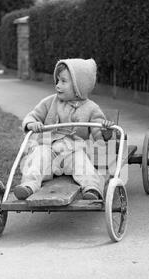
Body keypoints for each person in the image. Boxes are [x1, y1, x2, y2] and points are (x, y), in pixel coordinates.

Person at [14, 58, 114, 201]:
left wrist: (105, 132)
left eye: (63, 81)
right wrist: (32, 124)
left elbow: (98, 134)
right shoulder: (50, 102)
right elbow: (33, 116)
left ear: (79, 86)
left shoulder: (91, 108)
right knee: (37, 158)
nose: (58, 85)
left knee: (83, 165)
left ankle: (92, 187)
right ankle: (29, 185)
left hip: (73, 152)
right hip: (49, 150)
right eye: (57, 81)